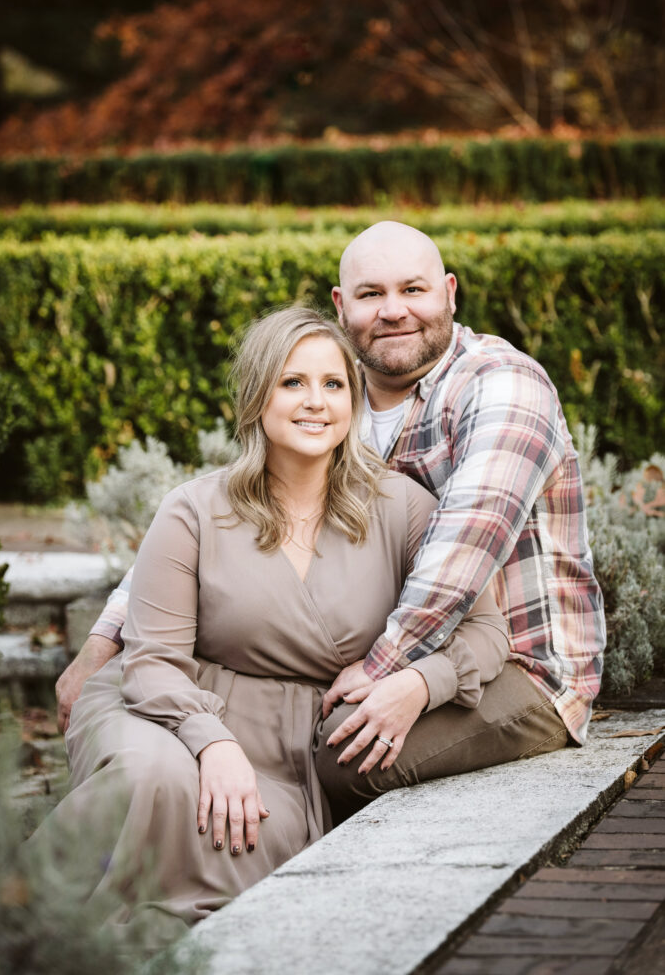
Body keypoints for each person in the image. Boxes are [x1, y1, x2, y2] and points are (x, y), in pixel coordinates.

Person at [57, 220, 606, 820]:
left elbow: (463, 551)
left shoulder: (502, 386)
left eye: (414, 291)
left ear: (450, 293)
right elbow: (219, 515)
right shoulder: (341, 395)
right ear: (343, 306)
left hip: (521, 665)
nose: (393, 311)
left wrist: (387, 671)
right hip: (400, 657)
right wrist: (104, 641)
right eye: (372, 294)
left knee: (347, 749)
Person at [34, 306, 509, 950]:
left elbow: (485, 631)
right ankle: (21, 924)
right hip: (165, 709)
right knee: (150, 780)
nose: (315, 402)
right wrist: (212, 743)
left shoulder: (402, 508)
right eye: (292, 383)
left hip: (290, 753)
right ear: (259, 397)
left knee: (240, 840)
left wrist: (423, 684)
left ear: (354, 400)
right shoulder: (194, 509)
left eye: (333, 384)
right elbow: (151, 662)